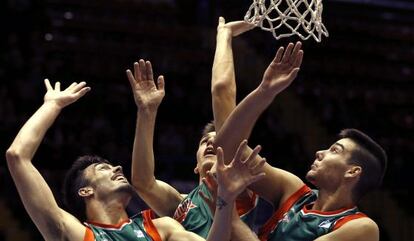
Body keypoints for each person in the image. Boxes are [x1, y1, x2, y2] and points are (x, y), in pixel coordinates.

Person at [5, 79, 264, 241]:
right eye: (103, 168)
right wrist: (52, 104)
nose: (117, 167)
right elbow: (17, 156)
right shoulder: (74, 234)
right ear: (86, 190)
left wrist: (225, 200)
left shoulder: (161, 228)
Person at [213, 41, 388, 241]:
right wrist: (264, 92)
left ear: (353, 171)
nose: (319, 153)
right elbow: (227, 150)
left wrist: (229, 215)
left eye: (335, 150)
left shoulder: (362, 227)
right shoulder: (293, 190)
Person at [127, 17, 260, 238]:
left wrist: (224, 36)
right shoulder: (180, 202)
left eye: (217, 139)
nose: (211, 142)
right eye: (203, 142)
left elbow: (222, 92)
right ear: (196, 166)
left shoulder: (244, 187)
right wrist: (146, 113)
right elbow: (142, 182)